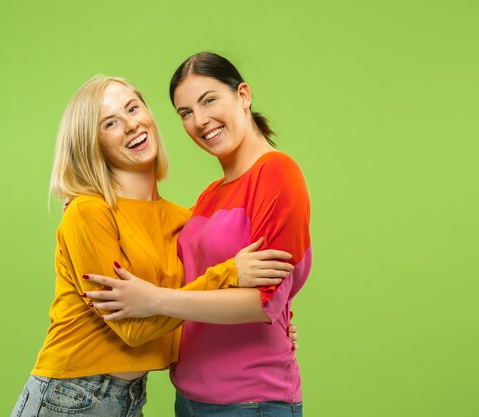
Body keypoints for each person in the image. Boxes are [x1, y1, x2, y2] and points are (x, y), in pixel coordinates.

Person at [10, 75, 297, 417]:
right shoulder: (87, 212)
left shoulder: (182, 220)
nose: (131, 124)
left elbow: (186, 298)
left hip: (130, 397)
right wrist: (229, 272)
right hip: (71, 396)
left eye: (134, 108)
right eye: (111, 123)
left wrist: (276, 321)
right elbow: (134, 328)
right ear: (92, 143)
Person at [84, 52, 311, 417]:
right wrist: (91, 202)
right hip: (191, 398)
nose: (200, 121)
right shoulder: (209, 196)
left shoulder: (277, 173)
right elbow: (180, 269)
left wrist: (156, 299)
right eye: (185, 113)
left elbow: (262, 302)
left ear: (243, 95)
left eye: (209, 100)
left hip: (249, 400)